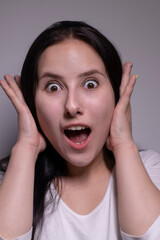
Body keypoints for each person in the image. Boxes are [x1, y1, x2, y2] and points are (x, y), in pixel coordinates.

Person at [0, 21, 160, 240]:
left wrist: (123, 143)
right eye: (54, 87)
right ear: (31, 102)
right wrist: (26, 147)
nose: (72, 106)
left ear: (116, 95)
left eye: (90, 84)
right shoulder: (11, 180)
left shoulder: (151, 170)